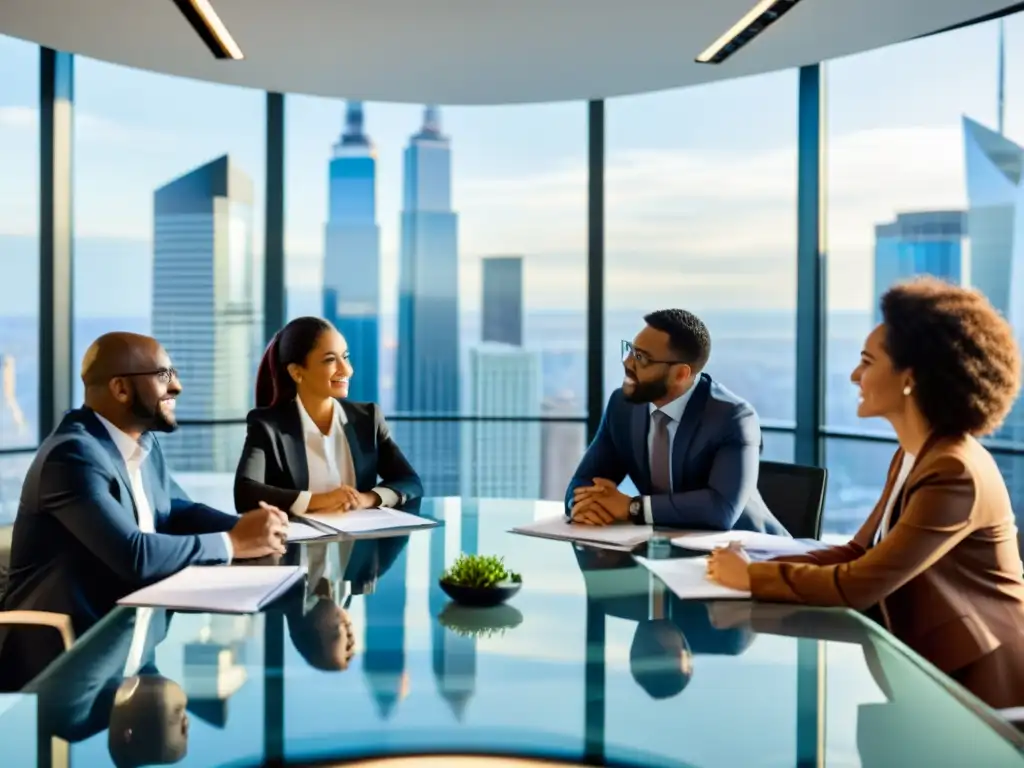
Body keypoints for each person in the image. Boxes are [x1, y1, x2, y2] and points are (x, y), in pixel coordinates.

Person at [707, 278, 1024, 709]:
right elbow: (858, 551)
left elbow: (862, 583)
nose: (856, 375)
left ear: (908, 379)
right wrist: (759, 563)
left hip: (980, 689)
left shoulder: (954, 470)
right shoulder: (915, 453)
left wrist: (750, 577)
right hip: (932, 670)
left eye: (867, 361)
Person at [0, 333, 288, 688]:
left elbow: (178, 512)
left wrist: (253, 527)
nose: (177, 386)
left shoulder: (140, 441)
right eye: (163, 375)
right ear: (121, 389)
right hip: (62, 664)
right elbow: (134, 555)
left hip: (126, 641)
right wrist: (233, 542)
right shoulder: (72, 456)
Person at [566, 309, 784, 533]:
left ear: (680, 374)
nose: (628, 363)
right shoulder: (623, 406)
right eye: (630, 351)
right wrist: (583, 505)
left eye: (641, 358)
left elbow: (721, 510)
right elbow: (584, 480)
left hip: (749, 553)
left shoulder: (733, 417)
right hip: (663, 545)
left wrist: (632, 508)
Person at [234, 316, 422, 515]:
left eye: (345, 357)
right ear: (297, 372)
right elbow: (245, 493)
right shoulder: (268, 426)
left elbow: (410, 482)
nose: (347, 370)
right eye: (331, 360)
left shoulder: (368, 418)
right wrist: (321, 500)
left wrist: (366, 499)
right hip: (295, 543)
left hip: (358, 541)